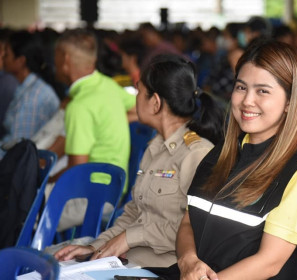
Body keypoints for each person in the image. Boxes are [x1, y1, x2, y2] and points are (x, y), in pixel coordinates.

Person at [147, 39, 297, 280]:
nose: (247, 101)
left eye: (262, 91)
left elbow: (269, 263)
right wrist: (188, 261)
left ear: (290, 102)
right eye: (241, 87)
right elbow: (187, 224)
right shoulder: (220, 155)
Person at [54, 54, 225, 267]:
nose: (135, 97)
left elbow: (194, 229)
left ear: (155, 102)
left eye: (139, 91)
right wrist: (96, 247)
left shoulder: (195, 154)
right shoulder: (154, 148)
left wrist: (129, 238)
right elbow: (134, 212)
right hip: (129, 261)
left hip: (163, 268)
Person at [47, 29, 136, 231]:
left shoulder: (79, 106)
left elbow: (77, 171)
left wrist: (45, 181)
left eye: (55, 56)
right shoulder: (108, 85)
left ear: (65, 60)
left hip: (90, 197)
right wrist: (115, 120)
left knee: (23, 206)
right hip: (115, 190)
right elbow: (143, 110)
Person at [0, 30, 60, 157]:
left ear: (21, 61)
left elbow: (17, 149)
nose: (3, 57)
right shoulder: (26, 88)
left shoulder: (32, 97)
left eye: (7, 53)